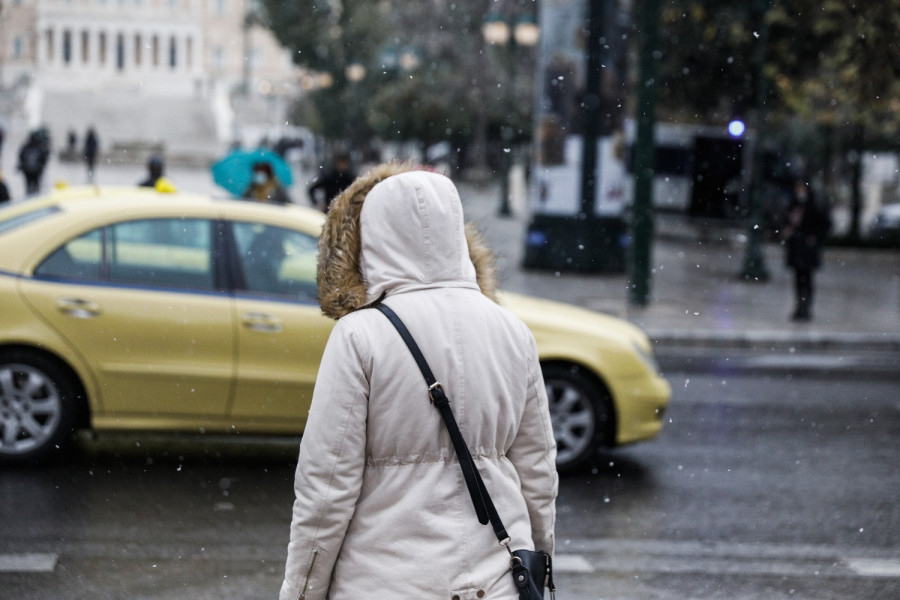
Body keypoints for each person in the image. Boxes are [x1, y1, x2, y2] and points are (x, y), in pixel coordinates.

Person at [280, 163, 558, 600]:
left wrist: (302, 592)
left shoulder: (360, 335)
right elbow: (537, 472)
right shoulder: (512, 332)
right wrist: (540, 559)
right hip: (496, 584)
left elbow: (327, 488)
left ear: (371, 238)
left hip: (387, 582)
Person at [782, 179, 831, 321]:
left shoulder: (813, 207)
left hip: (807, 250)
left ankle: (806, 307)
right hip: (796, 248)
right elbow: (785, 222)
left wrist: (814, 237)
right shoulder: (793, 206)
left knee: (807, 280)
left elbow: (824, 224)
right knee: (798, 280)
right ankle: (799, 307)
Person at [17, 130, 50, 195]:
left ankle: (33, 196)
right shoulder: (34, 147)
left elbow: (44, 157)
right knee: (31, 186)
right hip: (29, 171)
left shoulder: (38, 147)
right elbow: (21, 156)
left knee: (33, 186)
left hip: (34, 171)